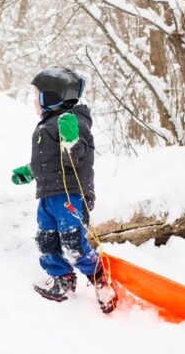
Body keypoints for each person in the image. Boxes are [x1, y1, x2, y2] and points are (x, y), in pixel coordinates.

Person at [11, 67, 116, 313]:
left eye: (37, 94)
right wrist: (29, 172)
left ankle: (101, 278)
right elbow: (48, 162)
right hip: (48, 196)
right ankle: (62, 280)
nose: (33, 100)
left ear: (51, 96)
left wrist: (72, 140)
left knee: (72, 242)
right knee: (46, 240)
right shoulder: (46, 125)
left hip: (70, 195)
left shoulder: (72, 122)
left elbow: (75, 159)